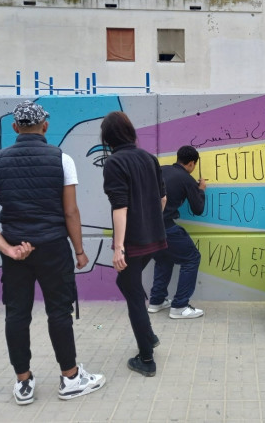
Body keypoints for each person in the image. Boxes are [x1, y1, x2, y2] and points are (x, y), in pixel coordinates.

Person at [0, 100, 105, 405]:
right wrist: (80, 251)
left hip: (15, 251)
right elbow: (71, 212)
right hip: (54, 248)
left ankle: (24, 383)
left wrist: (7, 248)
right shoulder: (61, 159)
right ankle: (70, 378)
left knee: (16, 314)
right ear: (45, 126)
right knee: (59, 312)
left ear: (16, 128)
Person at [101, 111, 167, 377]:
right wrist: (150, 222)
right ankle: (149, 337)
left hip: (133, 243)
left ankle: (146, 358)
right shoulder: (149, 158)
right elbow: (162, 199)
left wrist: (119, 247)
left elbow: (120, 207)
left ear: (107, 137)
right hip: (155, 239)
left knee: (133, 298)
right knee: (128, 284)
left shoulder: (114, 163)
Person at [148, 145, 206, 319]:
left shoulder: (160, 170)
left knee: (164, 258)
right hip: (166, 226)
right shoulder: (186, 178)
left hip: (148, 228)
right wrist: (200, 190)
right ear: (191, 163)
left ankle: (156, 301)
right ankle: (180, 306)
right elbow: (198, 209)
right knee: (192, 258)